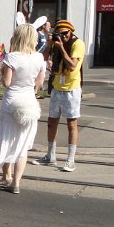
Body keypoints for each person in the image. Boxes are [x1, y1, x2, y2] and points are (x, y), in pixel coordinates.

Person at [0, 24, 46, 194]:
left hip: (11, 101)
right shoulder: (39, 58)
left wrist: (3, 70)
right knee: (23, 144)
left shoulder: (11, 57)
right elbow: (39, 83)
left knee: (7, 139)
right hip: (29, 101)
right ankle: (16, 183)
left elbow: (7, 82)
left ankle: (6, 176)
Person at [35, 19, 84, 172]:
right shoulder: (55, 43)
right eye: (59, 34)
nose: (63, 36)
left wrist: (61, 47)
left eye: (65, 33)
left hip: (72, 89)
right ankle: (50, 155)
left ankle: (70, 159)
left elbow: (72, 65)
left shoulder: (77, 44)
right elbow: (43, 59)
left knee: (71, 124)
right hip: (57, 87)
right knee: (51, 122)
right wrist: (50, 44)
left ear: (71, 32)